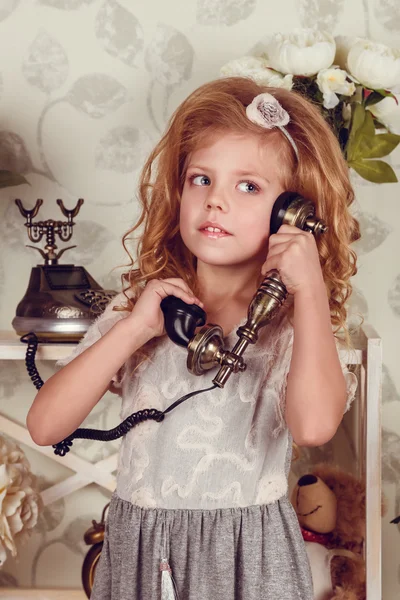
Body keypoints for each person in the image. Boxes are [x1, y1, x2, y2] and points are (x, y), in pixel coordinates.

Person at [26, 76, 360, 600]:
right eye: (201, 179)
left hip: (248, 560)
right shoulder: (145, 310)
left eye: (248, 186)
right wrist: (135, 327)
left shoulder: (296, 327)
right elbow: (46, 426)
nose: (216, 202)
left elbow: (314, 425)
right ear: (178, 190)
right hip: (144, 556)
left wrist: (311, 288)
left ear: (292, 213)